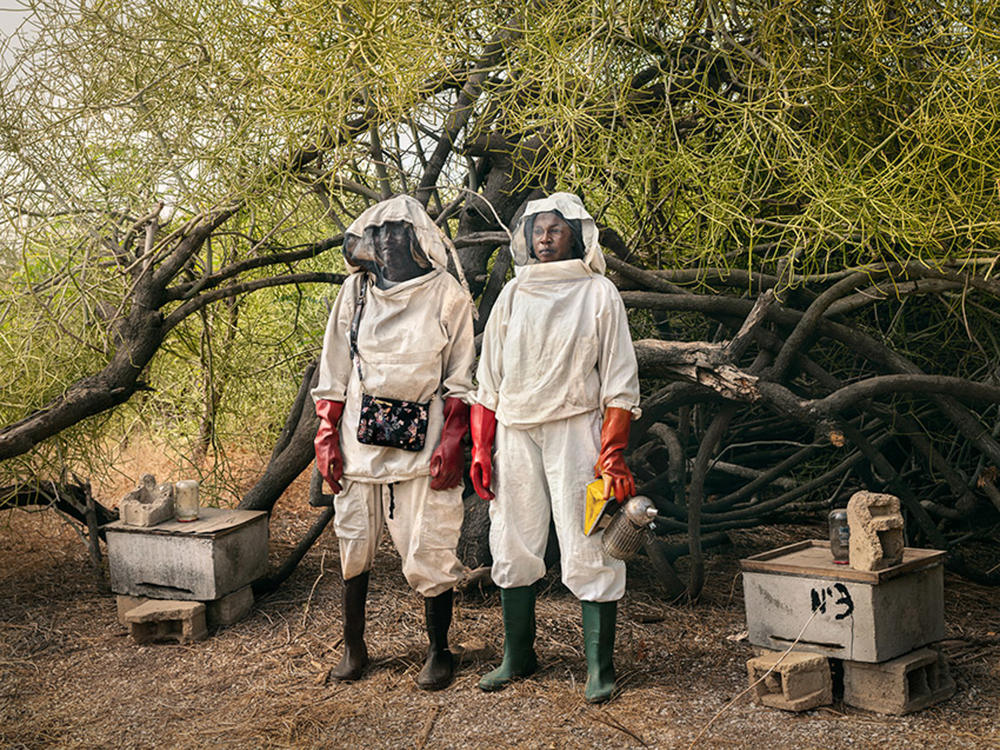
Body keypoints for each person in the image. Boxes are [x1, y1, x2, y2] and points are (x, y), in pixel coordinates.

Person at [469, 192, 640, 703]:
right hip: (516, 431)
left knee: (589, 542)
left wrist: (610, 453)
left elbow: (619, 379)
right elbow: (488, 380)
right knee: (513, 539)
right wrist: (481, 446)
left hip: (577, 430)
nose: (544, 237)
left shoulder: (598, 293)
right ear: (525, 237)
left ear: (576, 236)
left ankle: (598, 667)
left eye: (555, 229)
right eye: (537, 228)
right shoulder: (513, 296)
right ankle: (517, 655)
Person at [312, 195, 475, 691]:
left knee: (431, 543)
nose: (386, 241)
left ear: (417, 238)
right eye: (377, 233)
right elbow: (334, 369)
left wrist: (453, 439)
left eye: (396, 232)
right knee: (354, 543)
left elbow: (462, 377)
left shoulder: (447, 294)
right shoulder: (355, 293)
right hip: (358, 442)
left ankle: (439, 651)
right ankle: (354, 647)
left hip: (426, 441)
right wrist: (325, 436)